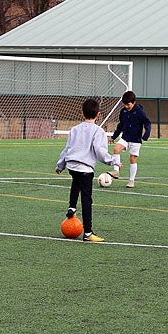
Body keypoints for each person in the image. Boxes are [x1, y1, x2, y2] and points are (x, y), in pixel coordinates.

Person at [56, 98, 121, 242]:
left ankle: (72, 207)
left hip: (72, 165)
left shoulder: (74, 129)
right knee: (86, 199)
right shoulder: (98, 131)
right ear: (98, 114)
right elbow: (100, 152)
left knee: (75, 183)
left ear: (82, 113)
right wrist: (113, 161)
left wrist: (60, 165)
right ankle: (88, 233)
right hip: (85, 168)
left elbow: (66, 149)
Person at [108, 90, 150, 188]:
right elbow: (121, 125)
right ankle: (116, 171)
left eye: (128, 104)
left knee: (132, 158)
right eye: (125, 105)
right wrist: (114, 136)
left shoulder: (139, 111)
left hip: (136, 140)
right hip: (125, 138)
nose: (126, 107)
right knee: (116, 149)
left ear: (134, 102)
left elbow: (147, 123)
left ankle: (131, 181)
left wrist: (146, 134)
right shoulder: (123, 111)